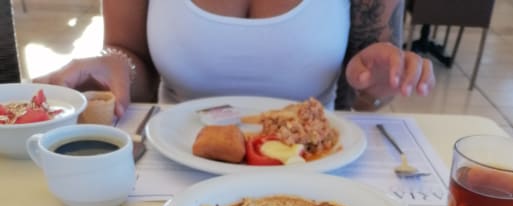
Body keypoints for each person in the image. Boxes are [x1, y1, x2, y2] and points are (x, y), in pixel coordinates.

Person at [38, 0, 435, 117]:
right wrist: (114, 64)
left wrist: (379, 84)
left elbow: (366, 95)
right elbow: (131, 57)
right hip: (172, 168)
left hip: (316, 168)